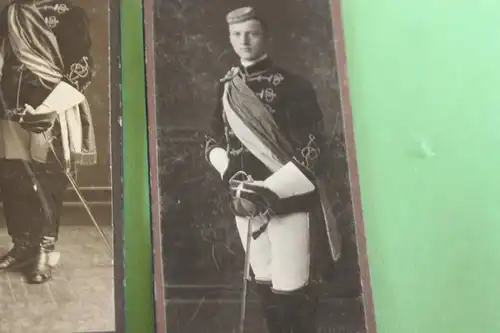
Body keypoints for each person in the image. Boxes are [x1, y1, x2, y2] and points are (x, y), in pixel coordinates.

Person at [205, 6, 342, 333]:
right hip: (245, 205)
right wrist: (229, 175)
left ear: (267, 37)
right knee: (264, 289)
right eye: (237, 35)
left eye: (252, 33)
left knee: (292, 294)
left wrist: (269, 189)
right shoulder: (226, 88)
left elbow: (313, 150)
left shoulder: (294, 86)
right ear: (229, 38)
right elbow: (211, 141)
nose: (244, 41)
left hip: (288, 202)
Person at [0, 0, 96, 284]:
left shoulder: (70, 14)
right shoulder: (11, 12)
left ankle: (44, 248)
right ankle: (22, 245)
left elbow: (81, 67)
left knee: (47, 179)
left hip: (49, 112)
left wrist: (49, 109)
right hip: (9, 108)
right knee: (13, 177)